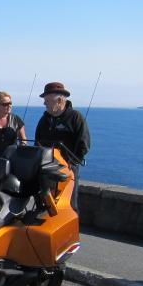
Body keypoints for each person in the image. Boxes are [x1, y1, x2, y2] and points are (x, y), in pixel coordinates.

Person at [34, 81, 91, 211]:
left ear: (59, 100)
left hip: (67, 169)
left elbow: (84, 144)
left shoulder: (76, 118)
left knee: (69, 204)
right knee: (45, 203)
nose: (44, 104)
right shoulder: (44, 120)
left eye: (47, 100)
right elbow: (37, 143)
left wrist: (71, 163)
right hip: (46, 169)